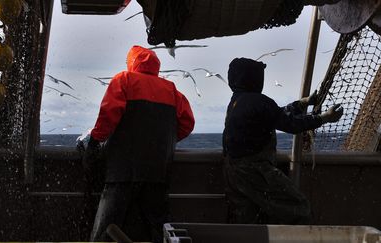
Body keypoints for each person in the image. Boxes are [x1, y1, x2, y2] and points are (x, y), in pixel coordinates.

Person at [84, 45, 195, 243]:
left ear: (131, 63)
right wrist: (163, 140)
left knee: (108, 226)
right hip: (158, 173)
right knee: (160, 229)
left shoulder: (124, 80)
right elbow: (187, 123)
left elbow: (108, 115)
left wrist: (95, 139)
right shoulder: (171, 90)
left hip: (122, 171)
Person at [222, 57, 343, 224]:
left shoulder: (237, 100)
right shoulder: (258, 101)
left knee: (246, 219)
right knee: (299, 209)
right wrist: (324, 118)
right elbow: (290, 123)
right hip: (255, 170)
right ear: (253, 78)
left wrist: (303, 103)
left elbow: (277, 114)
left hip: (233, 171)